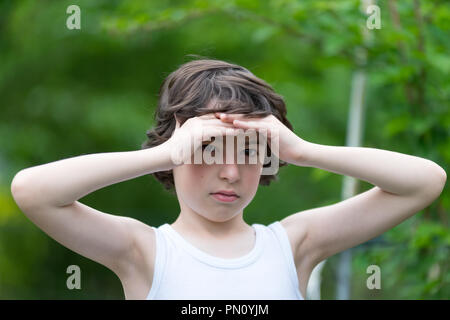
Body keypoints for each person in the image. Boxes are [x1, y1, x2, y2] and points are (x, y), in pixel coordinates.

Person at [10, 57, 446, 300]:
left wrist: (302, 150)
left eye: (251, 153)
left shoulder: (293, 244)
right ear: (177, 152)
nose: (231, 172)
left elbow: (424, 181)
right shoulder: (142, 251)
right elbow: (33, 192)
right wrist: (166, 152)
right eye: (208, 150)